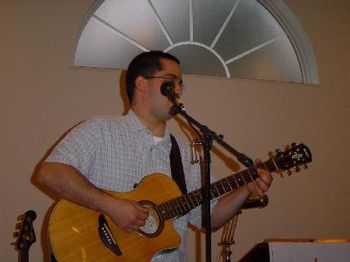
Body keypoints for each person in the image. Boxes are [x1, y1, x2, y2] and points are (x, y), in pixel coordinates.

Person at [36, 51, 273, 261]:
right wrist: (112, 206)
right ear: (141, 83)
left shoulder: (185, 150)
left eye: (181, 83)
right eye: (171, 82)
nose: (178, 90)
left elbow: (207, 218)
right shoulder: (101, 130)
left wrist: (246, 188)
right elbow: (50, 173)